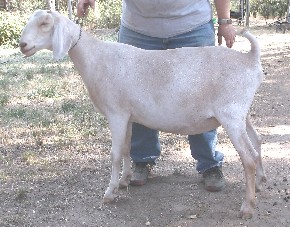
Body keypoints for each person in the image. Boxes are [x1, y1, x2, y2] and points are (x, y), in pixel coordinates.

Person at [77, 0, 236, 192]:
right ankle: (142, 160)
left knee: (201, 96)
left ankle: (209, 163)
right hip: (138, 29)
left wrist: (225, 21)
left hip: (192, 26)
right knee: (133, 97)